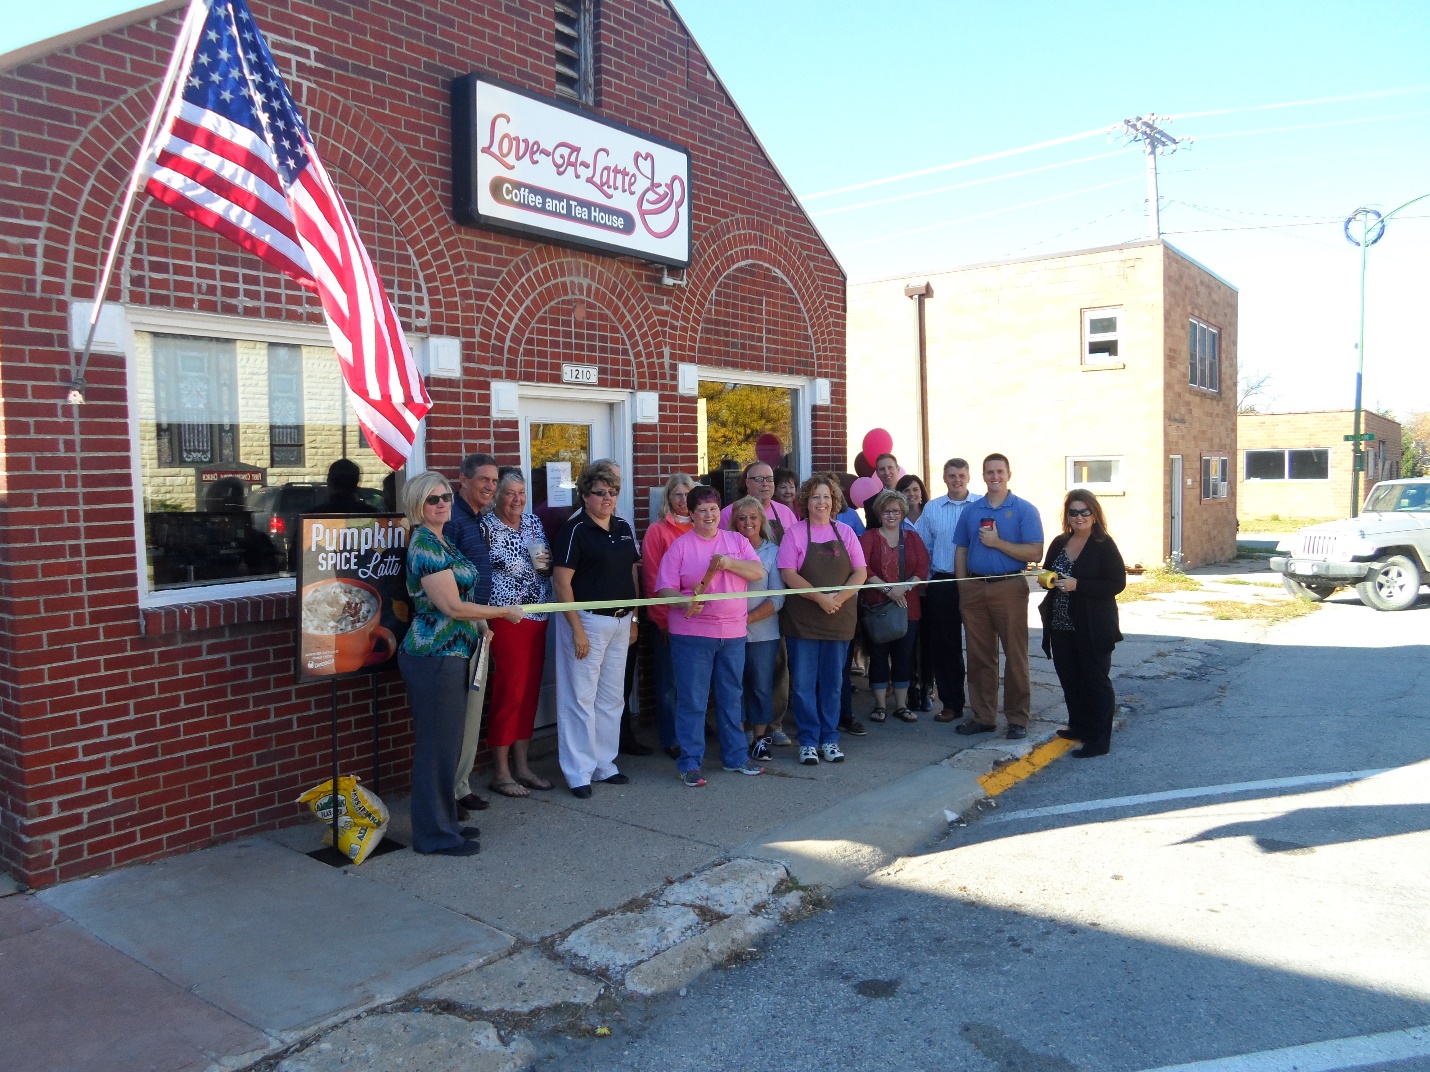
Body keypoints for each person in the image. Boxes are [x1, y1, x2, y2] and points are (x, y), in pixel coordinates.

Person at [397, 472, 523, 857]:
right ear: (418, 505)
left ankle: (445, 824)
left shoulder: (443, 539)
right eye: (432, 498)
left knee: (448, 747)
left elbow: (463, 595)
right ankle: (433, 836)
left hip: (456, 652)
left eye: (446, 496)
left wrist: (482, 624)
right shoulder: (424, 545)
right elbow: (450, 606)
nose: (441, 503)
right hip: (434, 655)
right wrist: (501, 612)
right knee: (437, 749)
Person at [656, 485, 767, 785]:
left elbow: (758, 572)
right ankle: (690, 762)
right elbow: (663, 589)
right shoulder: (680, 547)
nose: (709, 515)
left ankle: (735, 756)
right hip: (692, 636)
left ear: (721, 512)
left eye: (714, 509)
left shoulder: (736, 541)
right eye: (702, 510)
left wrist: (728, 562)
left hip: (732, 634)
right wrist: (684, 602)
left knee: (732, 697)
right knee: (693, 700)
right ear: (690, 514)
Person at [552, 461, 641, 798]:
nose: (607, 498)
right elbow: (562, 583)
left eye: (612, 492)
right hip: (587, 621)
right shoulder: (574, 530)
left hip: (620, 621)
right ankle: (579, 772)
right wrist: (576, 629)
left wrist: (633, 618)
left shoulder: (623, 527)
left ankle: (605, 764)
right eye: (600, 492)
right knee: (580, 698)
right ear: (585, 496)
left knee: (611, 698)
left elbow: (632, 574)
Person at [953, 454, 1044, 740]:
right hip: (975, 588)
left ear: (1008, 474)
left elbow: (1034, 552)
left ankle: (1017, 718)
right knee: (980, 657)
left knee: (1015, 656)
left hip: (1009, 587)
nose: (995, 476)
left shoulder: (1024, 510)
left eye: (1000, 471)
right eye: (990, 472)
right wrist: (962, 586)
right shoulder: (971, 511)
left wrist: (997, 543)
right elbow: (961, 549)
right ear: (983, 475)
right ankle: (983, 716)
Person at [778, 473, 868, 765]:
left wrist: (838, 599)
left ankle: (829, 739)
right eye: (815, 496)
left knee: (832, 684)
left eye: (826, 496)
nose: (821, 502)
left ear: (834, 501)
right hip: (803, 622)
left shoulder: (846, 532)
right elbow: (788, 574)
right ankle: (807, 740)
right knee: (803, 685)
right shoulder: (794, 533)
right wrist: (820, 598)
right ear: (806, 500)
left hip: (838, 620)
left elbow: (861, 572)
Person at [481, 470, 555, 797]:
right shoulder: (485, 526)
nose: (517, 499)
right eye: (510, 493)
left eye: (522, 492)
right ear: (497, 494)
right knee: (509, 692)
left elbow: (543, 563)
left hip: (538, 614)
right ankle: (501, 771)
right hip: (506, 618)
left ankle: (523, 766)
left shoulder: (533, 522)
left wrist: (545, 563)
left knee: (529, 693)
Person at [1039, 491, 1126, 759]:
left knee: (1095, 681)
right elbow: (1046, 572)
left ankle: (1099, 739)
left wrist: (1080, 585)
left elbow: (1117, 584)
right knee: (1070, 678)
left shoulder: (1103, 544)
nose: (1079, 517)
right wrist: (1048, 579)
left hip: (1092, 626)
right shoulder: (1060, 542)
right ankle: (1079, 726)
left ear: (1095, 514)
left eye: (1084, 511)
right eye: (1073, 512)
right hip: (1061, 624)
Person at [446, 451, 499, 816]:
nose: (490, 487)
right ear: (463, 480)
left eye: (494, 481)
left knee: (472, 712)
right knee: (455, 715)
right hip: (456, 627)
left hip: (480, 625)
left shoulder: (480, 520)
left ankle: (461, 785)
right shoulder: (451, 521)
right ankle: (446, 792)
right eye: (483, 479)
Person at [915, 458, 981, 720]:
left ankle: (982, 706)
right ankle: (951, 703)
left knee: (979, 646)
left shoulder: (981, 505)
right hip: (942, 583)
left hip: (977, 582)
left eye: (961, 475)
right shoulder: (931, 509)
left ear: (968, 476)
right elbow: (922, 547)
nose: (957, 479)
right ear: (944, 478)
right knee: (945, 647)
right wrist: (926, 581)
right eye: (952, 475)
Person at [859, 490, 930, 723]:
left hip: (909, 609)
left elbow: (922, 569)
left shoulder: (912, 539)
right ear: (879, 513)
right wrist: (888, 590)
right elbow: (862, 568)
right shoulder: (869, 538)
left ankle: (901, 705)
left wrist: (905, 588)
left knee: (904, 657)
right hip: (877, 608)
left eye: (896, 511)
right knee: (878, 657)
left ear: (902, 513)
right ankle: (879, 706)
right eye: (887, 511)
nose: (891, 515)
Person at [641, 473, 696, 759]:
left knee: (693, 681)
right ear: (668, 499)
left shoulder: (702, 529)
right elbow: (653, 579)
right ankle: (671, 737)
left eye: (687, 494)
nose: (683, 499)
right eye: (677, 494)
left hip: (700, 622)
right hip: (668, 622)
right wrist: (662, 619)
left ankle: (692, 730)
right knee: (668, 684)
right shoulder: (658, 531)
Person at [731, 496, 784, 760]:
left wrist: (748, 619)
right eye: (742, 518)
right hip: (728, 633)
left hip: (763, 633)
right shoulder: (728, 549)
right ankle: (737, 738)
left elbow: (777, 598)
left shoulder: (773, 552)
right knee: (733, 686)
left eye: (753, 517)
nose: (748, 522)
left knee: (761, 686)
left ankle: (759, 738)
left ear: (761, 520)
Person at [718, 461, 798, 541]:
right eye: (759, 479)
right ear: (747, 483)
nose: (765, 484)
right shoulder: (728, 513)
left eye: (769, 479)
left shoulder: (785, 512)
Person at [862, 452, 901, 529]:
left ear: (898, 469)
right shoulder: (870, 504)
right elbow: (871, 534)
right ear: (877, 473)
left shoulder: (909, 497)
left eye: (890, 467)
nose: (886, 472)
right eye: (882, 469)